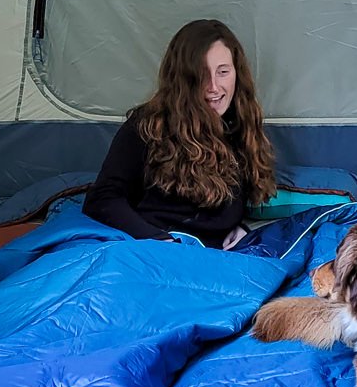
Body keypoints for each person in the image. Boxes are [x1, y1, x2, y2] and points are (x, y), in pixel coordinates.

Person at [84, 18, 278, 247]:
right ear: (183, 79)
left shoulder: (241, 125)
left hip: (214, 256)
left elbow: (239, 198)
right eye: (202, 74)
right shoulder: (148, 126)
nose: (214, 87)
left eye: (223, 72)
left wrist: (239, 227)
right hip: (157, 248)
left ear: (237, 73)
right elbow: (103, 198)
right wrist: (159, 240)